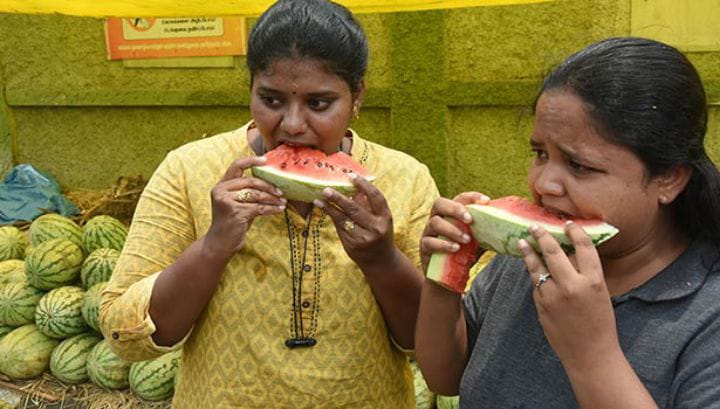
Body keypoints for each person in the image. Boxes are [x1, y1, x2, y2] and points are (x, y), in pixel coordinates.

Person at [99, 1, 438, 407]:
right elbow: (124, 334)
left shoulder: (406, 178)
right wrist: (214, 246)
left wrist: (383, 261)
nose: (292, 124)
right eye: (271, 100)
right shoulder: (188, 169)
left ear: (358, 95)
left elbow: (433, 346)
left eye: (319, 103)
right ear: (251, 89)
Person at [415, 37, 720, 408]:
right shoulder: (527, 256)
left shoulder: (708, 313)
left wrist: (592, 354)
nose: (543, 185)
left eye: (579, 165)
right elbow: (444, 377)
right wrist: (444, 279)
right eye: (540, 154)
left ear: (669, 178)